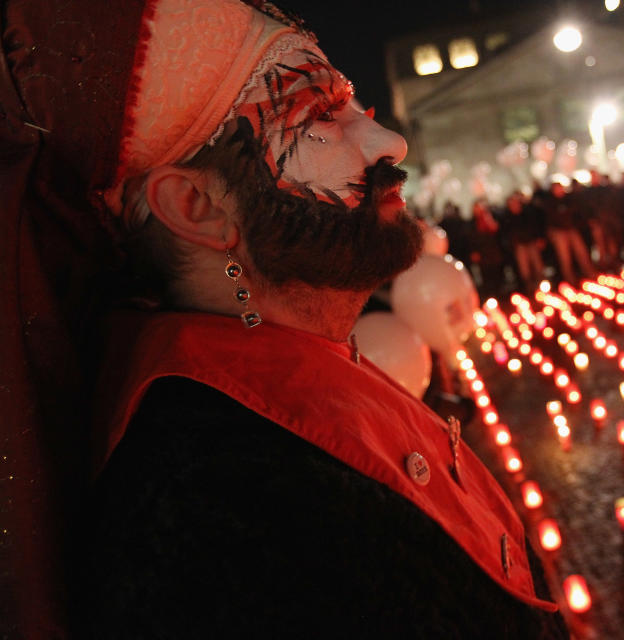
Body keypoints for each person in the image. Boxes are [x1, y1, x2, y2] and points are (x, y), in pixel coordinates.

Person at [0, 1, 567, 637]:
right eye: (321, 115)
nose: (390, 142)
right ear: (197, 206)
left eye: (358, 110)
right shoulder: (207, 503)